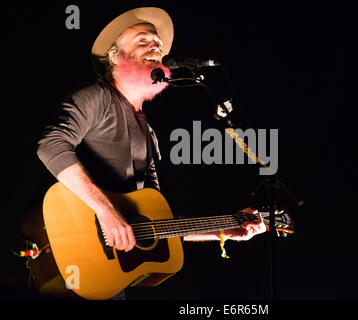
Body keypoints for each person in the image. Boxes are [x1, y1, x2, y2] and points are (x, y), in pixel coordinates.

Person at [36, 7, 266, 297]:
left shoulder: (148, 130)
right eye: (143, 40)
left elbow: (158, 222)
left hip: (106, 276)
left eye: (157, 44)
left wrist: (225, 229)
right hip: (67, 256)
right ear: (115, 55)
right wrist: (106, 211)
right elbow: (51, 144)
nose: (155, 47)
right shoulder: (96, 96)